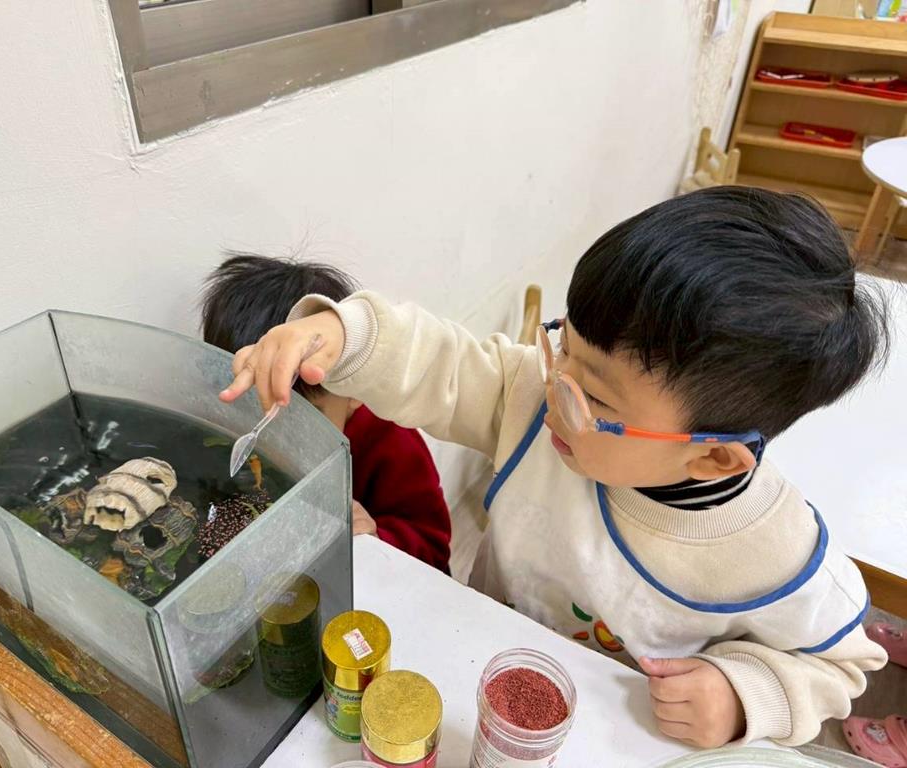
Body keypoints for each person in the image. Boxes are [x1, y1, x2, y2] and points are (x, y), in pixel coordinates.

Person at [220, 187, 890, 748]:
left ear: (713, 455)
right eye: (562, 346)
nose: (552, 385)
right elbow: (443, 362)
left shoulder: (777, 552)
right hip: (476, 670)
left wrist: (745, 694)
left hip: (615, 733)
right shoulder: (538, 401)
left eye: (593, 394)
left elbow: (844, 664)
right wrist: (346, 337)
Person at [201, 253, 452, 573]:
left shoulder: (390, 439)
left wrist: (376, 537)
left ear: (355, 390)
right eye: (254, 411)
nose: (277, 439)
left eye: (304, 418)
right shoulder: (226, 425)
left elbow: (433, 548)